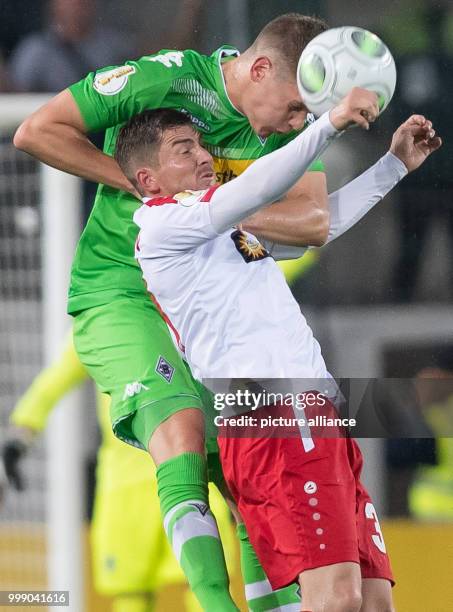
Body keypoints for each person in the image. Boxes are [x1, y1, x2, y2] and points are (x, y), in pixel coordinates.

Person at [14, 14, 332, 611]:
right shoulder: (164, 81)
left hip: (198, 301)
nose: (298, 123)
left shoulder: (289, 129)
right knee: (185, 431)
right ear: (260, 69)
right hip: (120, 293)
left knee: (245, 461)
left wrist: (206, 210)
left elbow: (313, 223)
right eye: (293, 108)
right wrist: (150, 195)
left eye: (305, 115)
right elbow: (36, 131)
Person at [114, 105, 440, 612]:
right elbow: (255, 186)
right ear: (146, 177)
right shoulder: (161, 228)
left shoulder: (226, 230)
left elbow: (320, 227)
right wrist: (327, 122)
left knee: (373, 603)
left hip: (316, 417)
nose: (204, 156)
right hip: (276, 416)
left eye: (202, 146)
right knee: (335, 599)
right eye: (185, 149)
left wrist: (393, 164)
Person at [1, 332, 237, 612]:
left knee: (201, 585)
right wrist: (21, 433)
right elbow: (54, 381)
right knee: (163, 589)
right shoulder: (105, 322)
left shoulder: (162, 313)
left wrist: (21, 433)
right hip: (161, 477)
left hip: (180, 473)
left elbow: (52, 382)